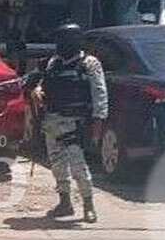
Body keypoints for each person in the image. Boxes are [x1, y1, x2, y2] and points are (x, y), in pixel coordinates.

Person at [29, 23, 108, 222]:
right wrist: (37, 91)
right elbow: (44, 84)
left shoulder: (89, 64)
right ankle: (65, 203)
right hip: (52, 120)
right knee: (57, 165)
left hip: (75, 123)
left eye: (63, 40)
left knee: (78, 166)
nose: (60, 45)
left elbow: (100, 95)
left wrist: (98, 124)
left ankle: (88, 205)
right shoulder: (54, 62)